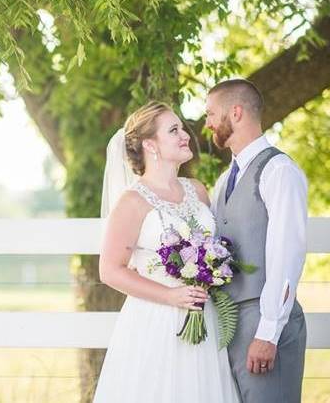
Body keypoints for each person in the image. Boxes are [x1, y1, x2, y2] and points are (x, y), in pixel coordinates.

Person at [93, 101, 239, 403]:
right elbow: (110, 270)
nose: (185, 135)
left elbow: (210, 246)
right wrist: (170, 296)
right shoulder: (132, 201)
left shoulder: (197, 190)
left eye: (182, 127)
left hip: (203, 314)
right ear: (150, 144)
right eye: (174, 130)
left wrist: (210, 271)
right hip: (155, 321)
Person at [206, 79, 308, 403]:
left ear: (235, 113)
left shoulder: (279, 171)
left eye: (211, 113)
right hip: (228, 323)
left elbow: (286, 255)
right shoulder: (224, 181)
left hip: (264, 323)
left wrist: (268, 332)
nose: (206, 122)